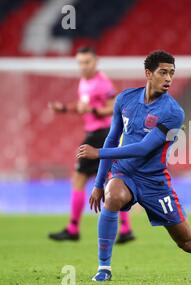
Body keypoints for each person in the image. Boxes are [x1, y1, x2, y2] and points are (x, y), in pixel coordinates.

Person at [77, 50, 191, 281]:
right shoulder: (125, 100)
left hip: (154, 182)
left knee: (187, 242)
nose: (168, 78)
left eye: (172, 74)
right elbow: (111, 137)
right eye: (163, 72)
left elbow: (144, 148)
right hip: (124, 173)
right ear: (149, 73)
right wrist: (98, 183)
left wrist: (99, 153)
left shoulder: (173, 112)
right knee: (112, 196)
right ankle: (103, 269)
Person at [48, 46, 135, 244]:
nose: (83, 66)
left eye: (87, 62)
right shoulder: (84, 83)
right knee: (110, 180)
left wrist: (95, 111)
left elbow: (114, 106)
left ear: (96, 62)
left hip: (100, 134)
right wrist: (64, 108)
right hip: (96, 133)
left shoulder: (101, 82)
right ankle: (126, 228)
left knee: (79, 178)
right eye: (80, 62)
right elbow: (82, 106)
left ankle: (73, 228)